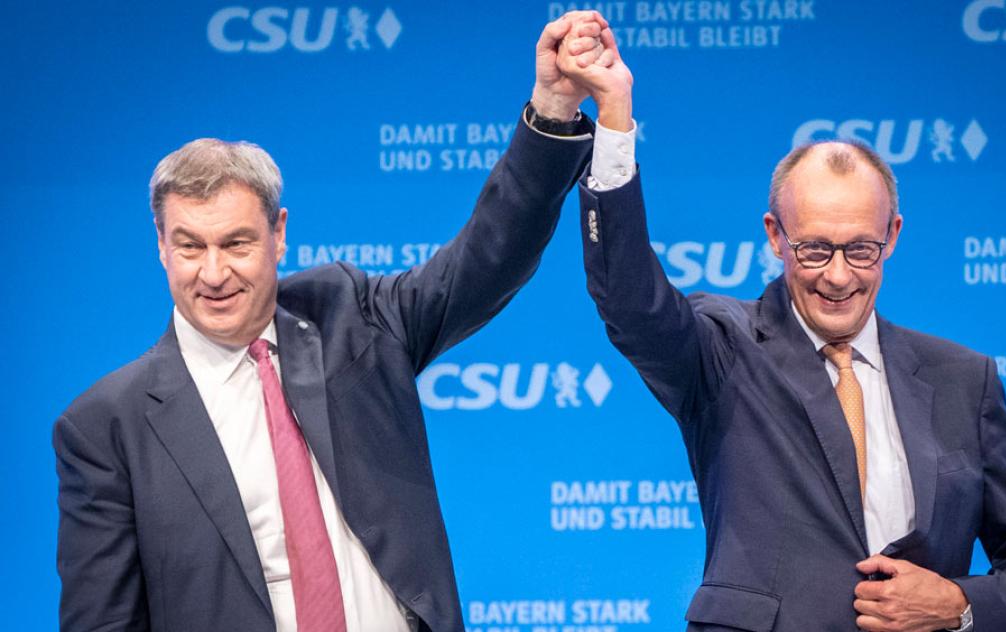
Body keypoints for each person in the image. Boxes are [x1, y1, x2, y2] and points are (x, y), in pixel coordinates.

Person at [53, 14, 613, 632]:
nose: (213, 273)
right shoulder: (109, 424)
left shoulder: (351, 320)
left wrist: (553, 109)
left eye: (236, 244)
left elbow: (485, 262)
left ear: (278, 235)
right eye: (190, 247)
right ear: (161, 245)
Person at [556, 19, 1006, 632]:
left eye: (860, 249)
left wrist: (957, 604)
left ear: (892, 236)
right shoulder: (722, 350)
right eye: (814, 250)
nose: (837, 276)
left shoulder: (965, 380)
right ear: (775, 237)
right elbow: (631, 302)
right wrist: (614, 117)